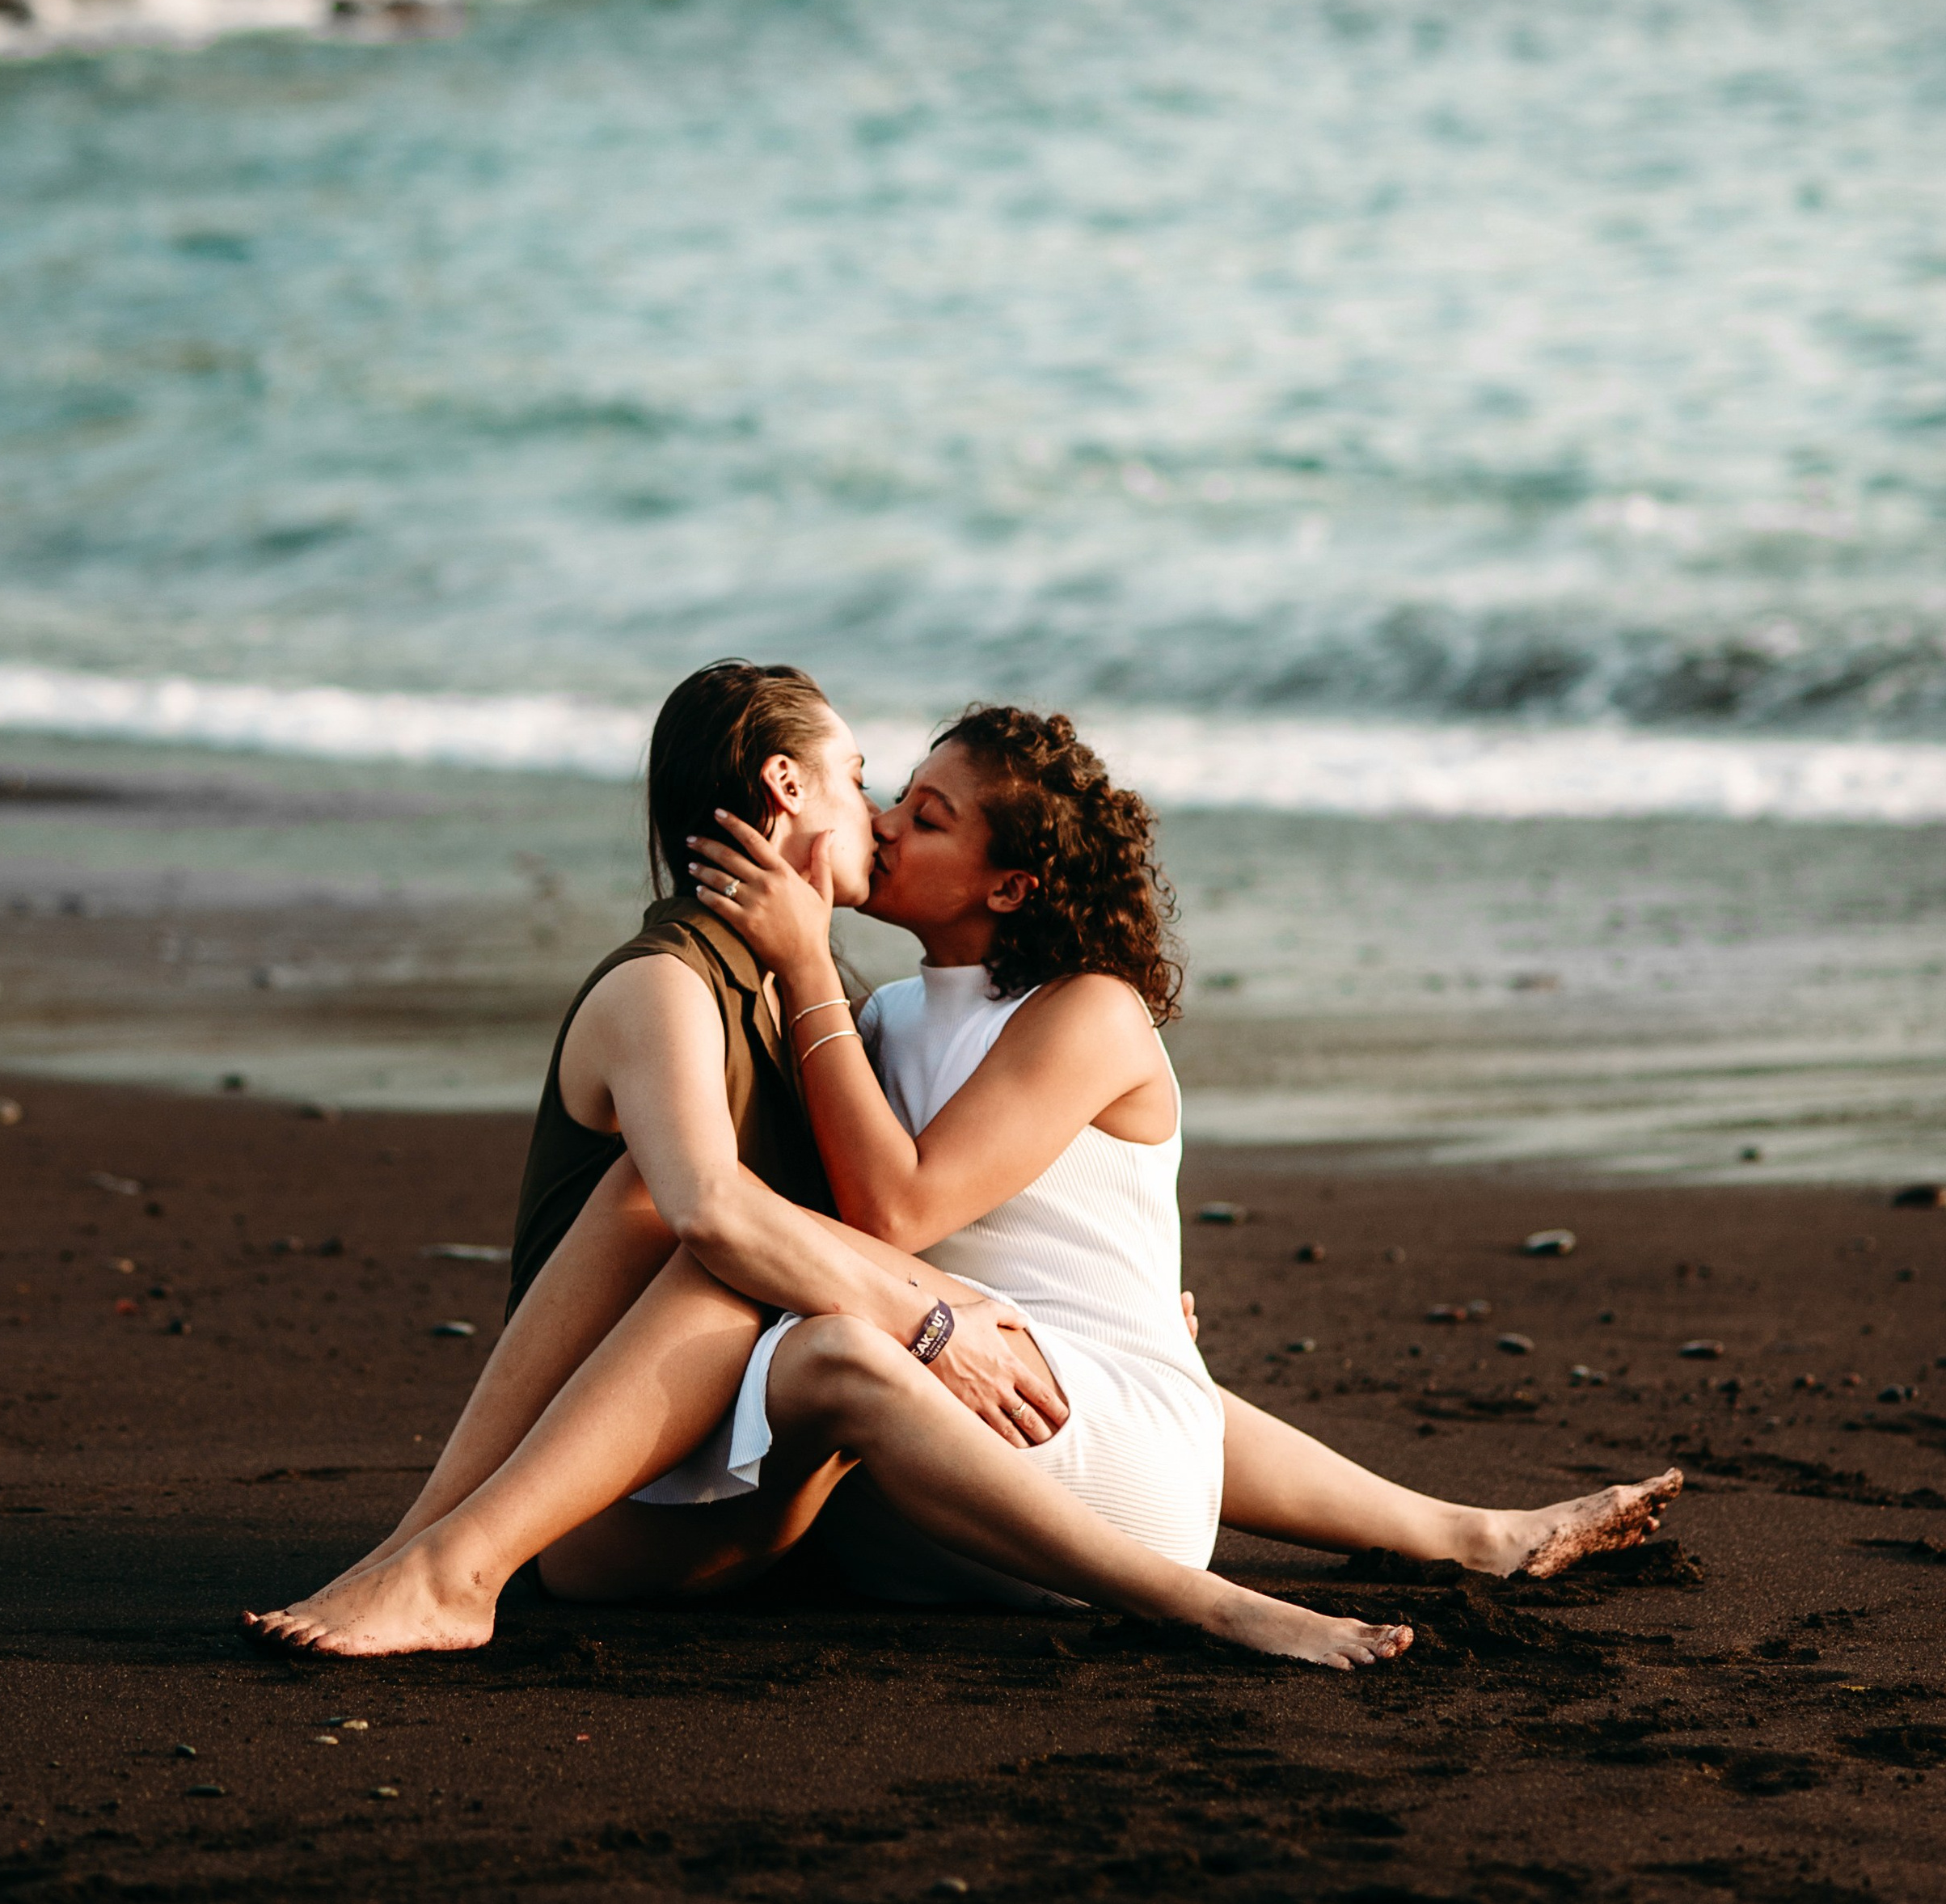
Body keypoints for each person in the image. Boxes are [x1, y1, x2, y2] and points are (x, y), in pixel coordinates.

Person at [246, 686, 1675, 1664]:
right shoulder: (864, 1024)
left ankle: (1222, 1603)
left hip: (1082, 1450)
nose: (881, 825)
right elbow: (862, 1234)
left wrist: (804, 961)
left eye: (920, 814)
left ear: (1007, 884)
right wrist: (826, 1005)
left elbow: (898, 1216)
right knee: (790, 1298)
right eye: (883, 794)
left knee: (828, 1317)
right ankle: (1466, 1533)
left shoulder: (1084, 1010)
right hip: (951, 1463)